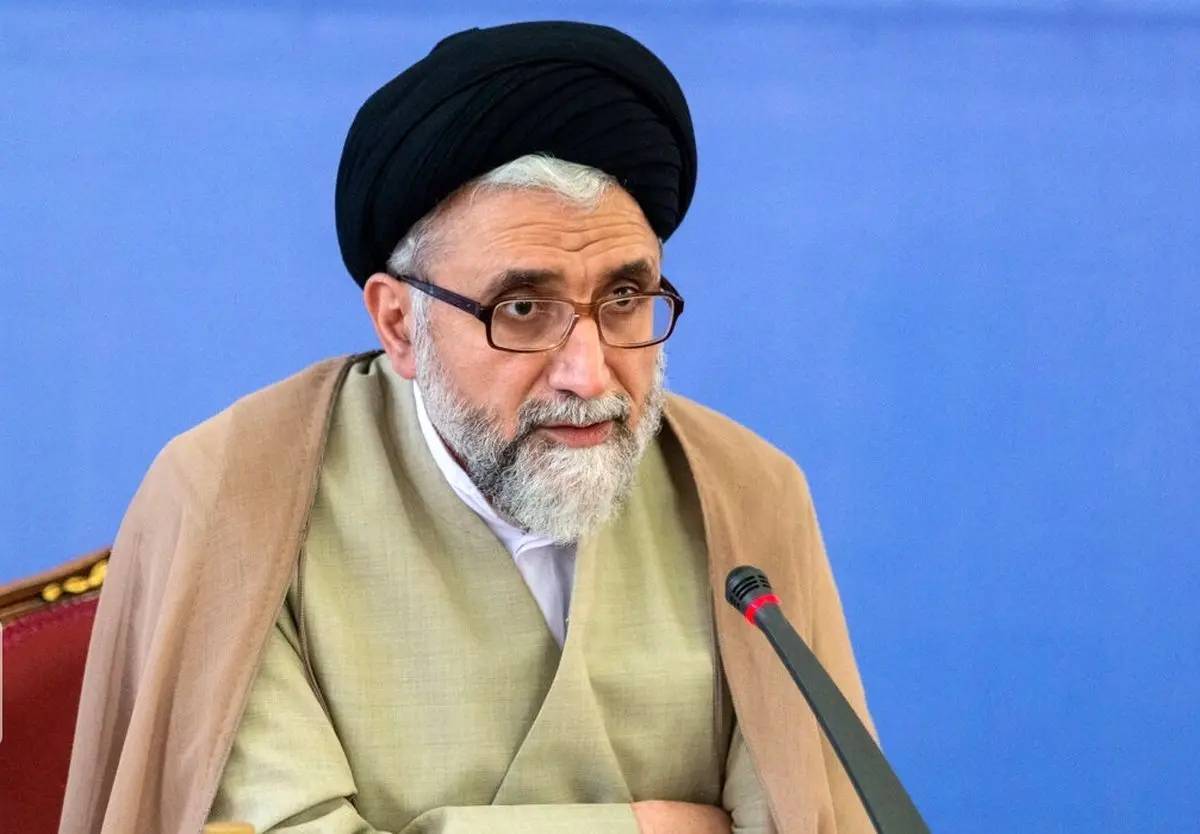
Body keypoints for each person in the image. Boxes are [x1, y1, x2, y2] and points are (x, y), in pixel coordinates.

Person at [59, 21, 876, 834]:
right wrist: (656, 828)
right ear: (399, 324)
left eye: (625, 299)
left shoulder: (744, 494)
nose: (588, 373)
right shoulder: (235, 499)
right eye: (522, 308)